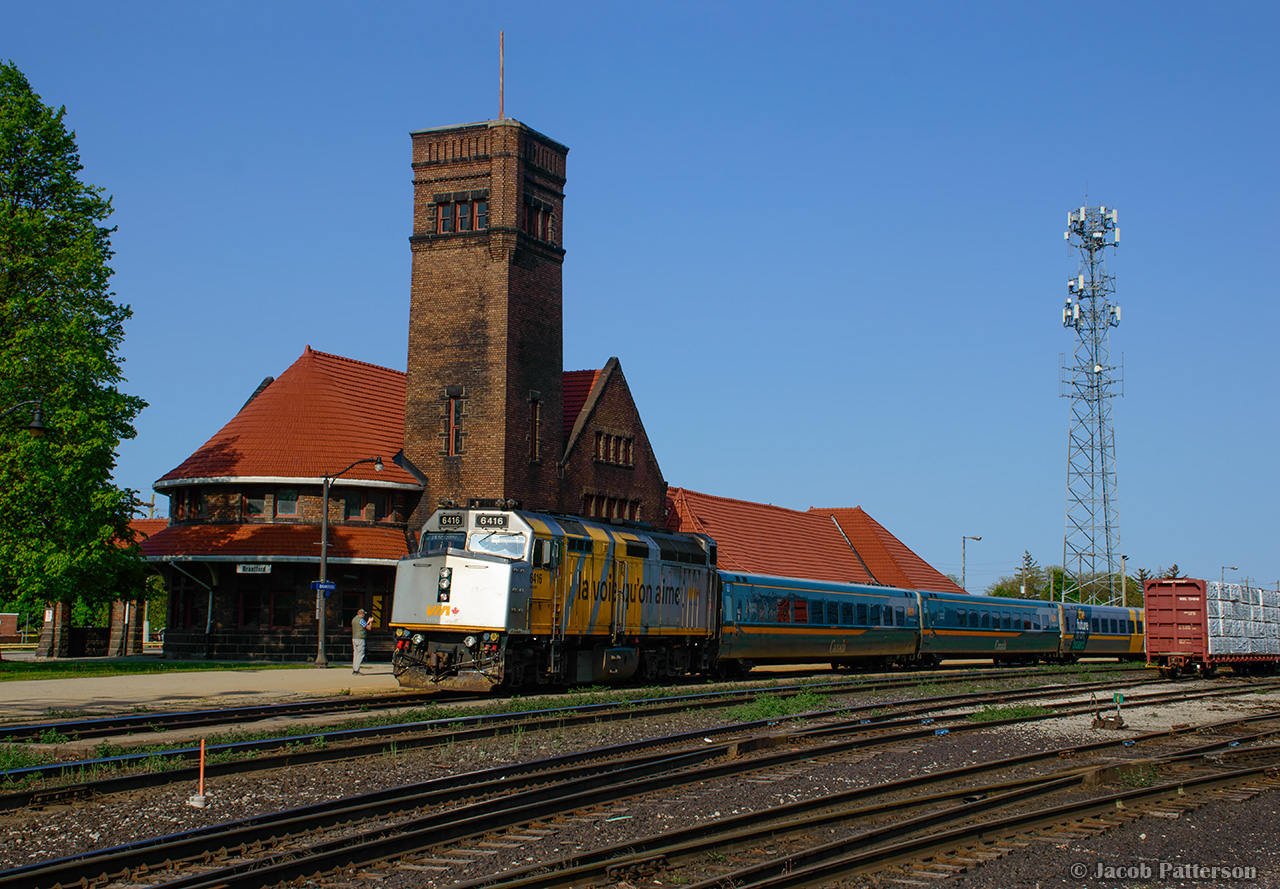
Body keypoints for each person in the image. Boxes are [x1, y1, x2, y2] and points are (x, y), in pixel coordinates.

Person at [351, 608, 371, 673]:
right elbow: (368, 628)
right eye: (364, 614)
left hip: (354, 638)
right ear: (362, 614)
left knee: (356, 654)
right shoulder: (361, 620)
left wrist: (367, 622)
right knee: (360, 654)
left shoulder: (354, 619)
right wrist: (370, 622)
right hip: (360, 639)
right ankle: (356, 669)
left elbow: (362, 626)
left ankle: (355, 668)